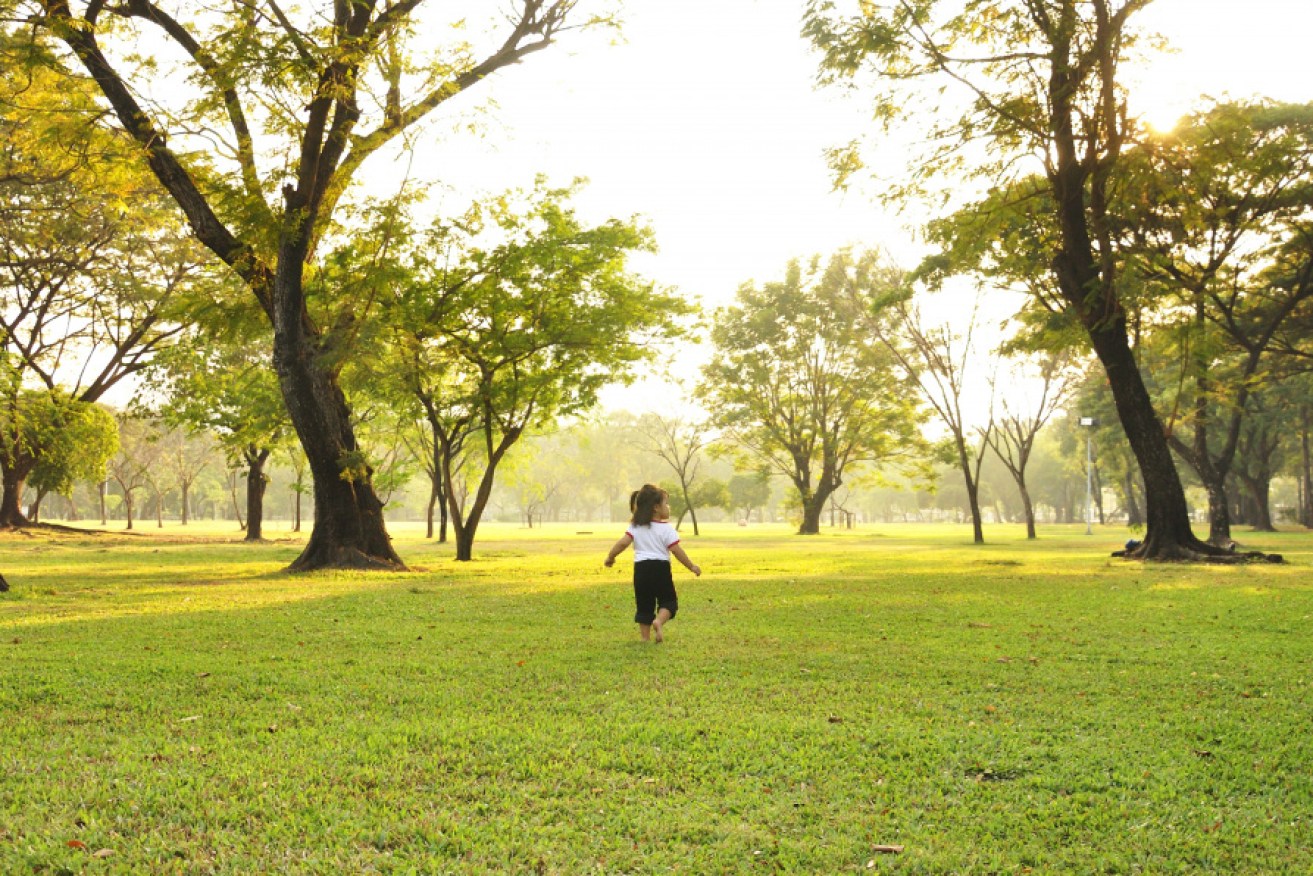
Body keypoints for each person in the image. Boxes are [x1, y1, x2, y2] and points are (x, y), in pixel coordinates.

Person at [604, 484, 701, 643]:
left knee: (644, 603)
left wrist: (611, 557)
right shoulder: (667, 529)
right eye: (666, 504)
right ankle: (659, 621)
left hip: (641, 570)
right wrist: (691, 566)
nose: (668, 507)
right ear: (656, 508)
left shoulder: (636, 526)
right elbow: (676, 551)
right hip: (660, 568)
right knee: (669, 602)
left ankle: (644, 637)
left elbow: (623, 543)